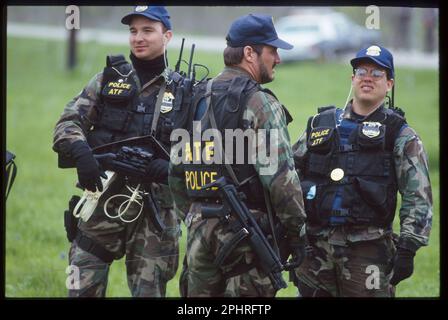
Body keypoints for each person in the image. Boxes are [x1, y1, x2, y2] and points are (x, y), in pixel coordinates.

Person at [168, 13, 307, 297]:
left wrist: (195, 216)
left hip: (199, 236)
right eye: (272, 50)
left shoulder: (196, 95)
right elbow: (281, 180)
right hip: (248, 238)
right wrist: (297, 232)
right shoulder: (259, 102)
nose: (277, 59)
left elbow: (175, 172)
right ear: (249, 53)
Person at [53, 6, 181, 297]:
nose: (138, 38)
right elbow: (68, 122)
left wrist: (171, 168)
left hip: (156, 212)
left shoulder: (185, 90)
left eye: (148, 30)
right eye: (133, 31)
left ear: (167, 35)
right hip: (101, 202)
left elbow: (204, 152)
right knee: (81, 287)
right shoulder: (107, 80)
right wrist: (81, 152)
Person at [293, 45, 433, 297]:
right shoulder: (321, 126)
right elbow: (288, 179)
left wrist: (408, 249)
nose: (368, 77)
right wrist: (290, 235)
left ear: (389, 84)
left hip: (368, 251)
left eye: (377, 73)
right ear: (352, 78)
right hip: (314, 250)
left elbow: (418, 197)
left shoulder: (400, 134)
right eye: (361, 71)